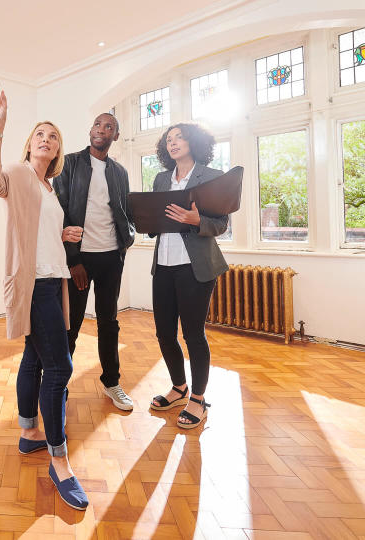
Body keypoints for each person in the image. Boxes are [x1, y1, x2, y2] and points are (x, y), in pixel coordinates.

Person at [0, 82, 88, 510]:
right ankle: (59, 463)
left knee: (34, 357)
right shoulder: (20, 174)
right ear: (29, 145)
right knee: (60, 368)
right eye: (40, 134)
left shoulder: (47, 187)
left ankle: (29, 434)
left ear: (58, 150)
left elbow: (37, 228)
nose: (47, 139)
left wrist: (60, 234)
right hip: (37, 282)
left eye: (53, 136)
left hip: (51, 277)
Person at [147, 123, 229, 429]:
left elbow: (221, 224)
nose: (173, 142)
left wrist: (198, 220)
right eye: (169, 139)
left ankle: (198, 398)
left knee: (193, 334)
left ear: (194, 141)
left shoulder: (211, 177)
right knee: (163, 333)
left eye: (179, 137)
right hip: (163, 266)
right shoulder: (160, 179)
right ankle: (179, 387)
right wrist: (148, 220)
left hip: (196, 268)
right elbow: (157, 219)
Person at [52, 113, 135, 410]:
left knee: (108, 322)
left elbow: (125, 212)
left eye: (109, 127)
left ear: (115, 135)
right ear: (90, 131)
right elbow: (60, 211)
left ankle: (111, 382)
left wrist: (127, 242)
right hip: (80, 259)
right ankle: (59, 384)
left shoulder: (120, 172)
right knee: (70, 324)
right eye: (98, 125)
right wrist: (73, 259)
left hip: (112, 257)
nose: (102, 130)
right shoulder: (70, 164)